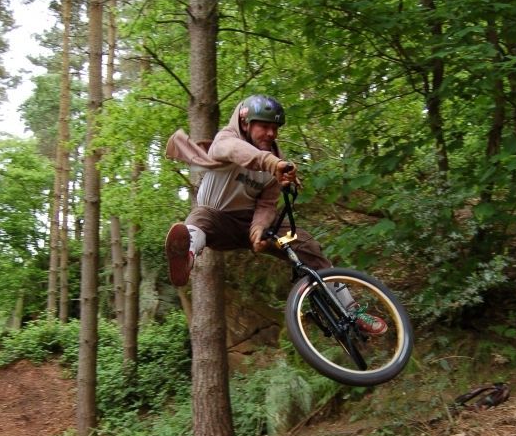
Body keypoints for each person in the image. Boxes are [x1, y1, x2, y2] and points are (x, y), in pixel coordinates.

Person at [164, 94, 387, 336]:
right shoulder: (226, 140)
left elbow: (267, 204)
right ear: (246, 124)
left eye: (275, 128)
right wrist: (271, 162)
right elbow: (232, 150)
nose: (271, 134)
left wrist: (258, 229)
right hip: (218, 221)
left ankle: (351, 311)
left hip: (250, 223)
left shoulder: (275, 167)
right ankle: (185, 254)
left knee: (307, 246)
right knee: (200, 219)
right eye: (264, 126)